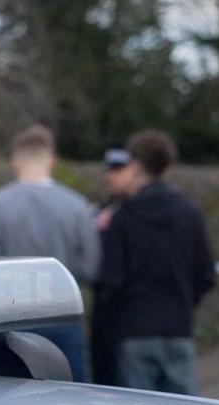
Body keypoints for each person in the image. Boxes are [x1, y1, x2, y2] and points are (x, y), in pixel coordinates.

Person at [0, 125, 100, 381]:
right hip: (65, 316)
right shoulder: (76, 206)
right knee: (72, 399)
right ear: (51, 161)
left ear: (15, 162)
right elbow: (91, 268)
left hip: (13, 323)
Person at [97, 129, 217, 395]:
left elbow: (111, 282)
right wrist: (183, 301)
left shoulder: (123, 217)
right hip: (178, 331)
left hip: (134, 333)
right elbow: (206, 275)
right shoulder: (190, 213)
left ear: (135, 165)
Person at [90, 147, 133, 387]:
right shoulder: (102, 211)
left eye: (118, 170)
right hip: (106, 314)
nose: (111, 176)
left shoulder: (135, 213)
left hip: (129, 318)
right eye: (110, 170)